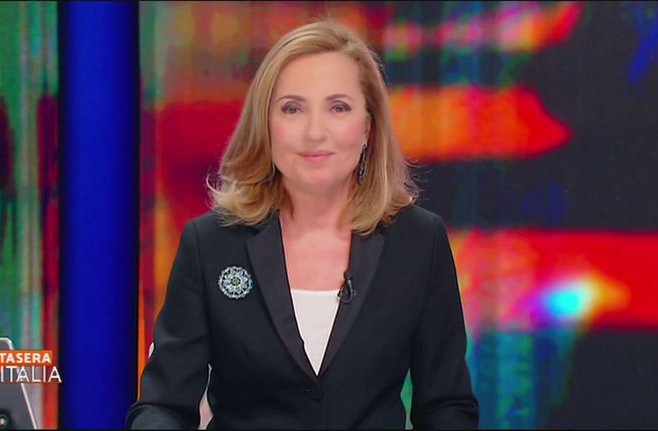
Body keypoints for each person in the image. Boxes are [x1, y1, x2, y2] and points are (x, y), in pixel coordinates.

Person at [126, 19, 478, 430]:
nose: (314, 132)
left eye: (338, 107)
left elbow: (446, 407)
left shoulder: (418, 242)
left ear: (367, 127)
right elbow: (163, 406)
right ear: (266, 125)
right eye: (292, 108)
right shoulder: (211, 243)